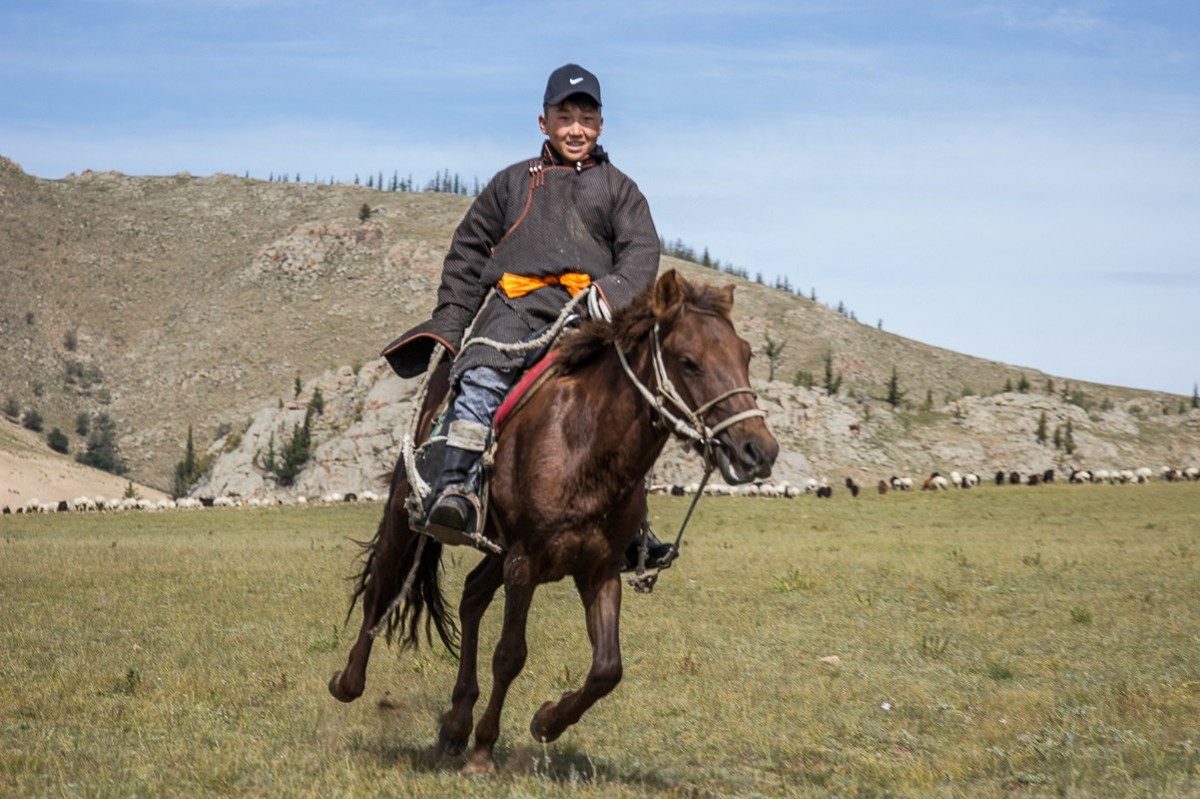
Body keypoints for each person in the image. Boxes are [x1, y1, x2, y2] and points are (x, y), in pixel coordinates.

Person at [381, 63, 673, 568]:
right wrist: (452, 321)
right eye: (565, 117)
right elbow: (468, 251)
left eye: (586, 118)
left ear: (601, 125)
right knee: (481, 378)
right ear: (544, 123)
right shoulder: (511, 183)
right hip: (514, 309)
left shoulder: (621, 190)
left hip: (589, 315)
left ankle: (631, 528)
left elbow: (641, 251)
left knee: (623, 405)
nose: (575, 129)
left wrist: (612, 293)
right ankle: (457, 492)